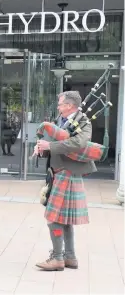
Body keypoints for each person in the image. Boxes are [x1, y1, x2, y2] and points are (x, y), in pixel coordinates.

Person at [34, 91, 94, 271]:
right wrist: (42, 149)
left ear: (69, 105)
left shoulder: (84, 121)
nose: (58, 107)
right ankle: (70, 257)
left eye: (60, 104)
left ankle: (58, 258)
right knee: (64, 219)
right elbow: (55, 145)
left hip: (68, 173)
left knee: (53, 218)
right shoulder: (61, 120)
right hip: (58, 172)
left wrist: (50, 146)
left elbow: (79, 144)